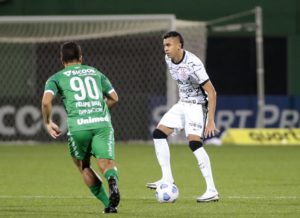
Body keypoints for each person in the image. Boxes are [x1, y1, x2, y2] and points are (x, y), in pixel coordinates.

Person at [41, 41, 120, 213]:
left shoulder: (56, 78)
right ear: (81, 58)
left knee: (83, 165)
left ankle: (109, 204)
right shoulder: (95, 73)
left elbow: (46, 101)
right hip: (101, 125)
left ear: (62, 59)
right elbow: (114, 97)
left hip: (79, 127)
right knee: (106, 162)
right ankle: (112, 180)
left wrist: (48, 122)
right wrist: (98, 110)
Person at [146, 31, 219, 203]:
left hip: (197, 105)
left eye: (169, 45)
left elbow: (211, 92)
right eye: (164, 45)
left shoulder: (194, 64)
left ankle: (212, 190)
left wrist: (210, 120)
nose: (166, 49)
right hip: (182, 103)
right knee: (158, 134)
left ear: (179, 45)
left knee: (194, 143)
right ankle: (167, 178)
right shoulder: (168, 59)